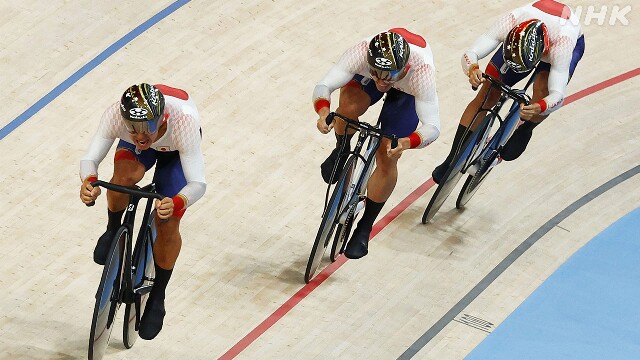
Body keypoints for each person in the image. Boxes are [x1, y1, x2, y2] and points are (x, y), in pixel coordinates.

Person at [79, 83, 206, 340]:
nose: (140, 135)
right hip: (143, 155)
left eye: (148, 126)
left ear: (162, 118)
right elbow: (89, 159)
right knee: (124, 176)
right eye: (132, 128)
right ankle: (113, 228)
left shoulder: (184, 122)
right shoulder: (116, 114)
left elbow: (198, 183)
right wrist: (89, 181)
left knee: (167, 219)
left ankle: (158, 295)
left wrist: (178, 202)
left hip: (174, 154)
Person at [313, 29, 440, 259]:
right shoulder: (361, 52)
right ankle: (342, 148)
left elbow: (433, 126)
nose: (381, 81)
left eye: (388, 76)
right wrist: (323, 113)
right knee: (347, 110)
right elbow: (324, 86)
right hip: (376, 76)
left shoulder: (421, 72)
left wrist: (408, 141)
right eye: (376, 73)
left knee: (387, 154)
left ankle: (364, 227)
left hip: (407, 91)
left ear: (405, 68)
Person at [432, 0, 585, 184]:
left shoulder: (562, 45)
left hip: (561, 45)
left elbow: (557, 94)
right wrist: (472, 68)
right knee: (487, 93)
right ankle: (452, 159)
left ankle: (527, 127)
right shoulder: (510, 20)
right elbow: (472, 52)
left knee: (543, 90)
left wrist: (540, 106)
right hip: (518, 50)